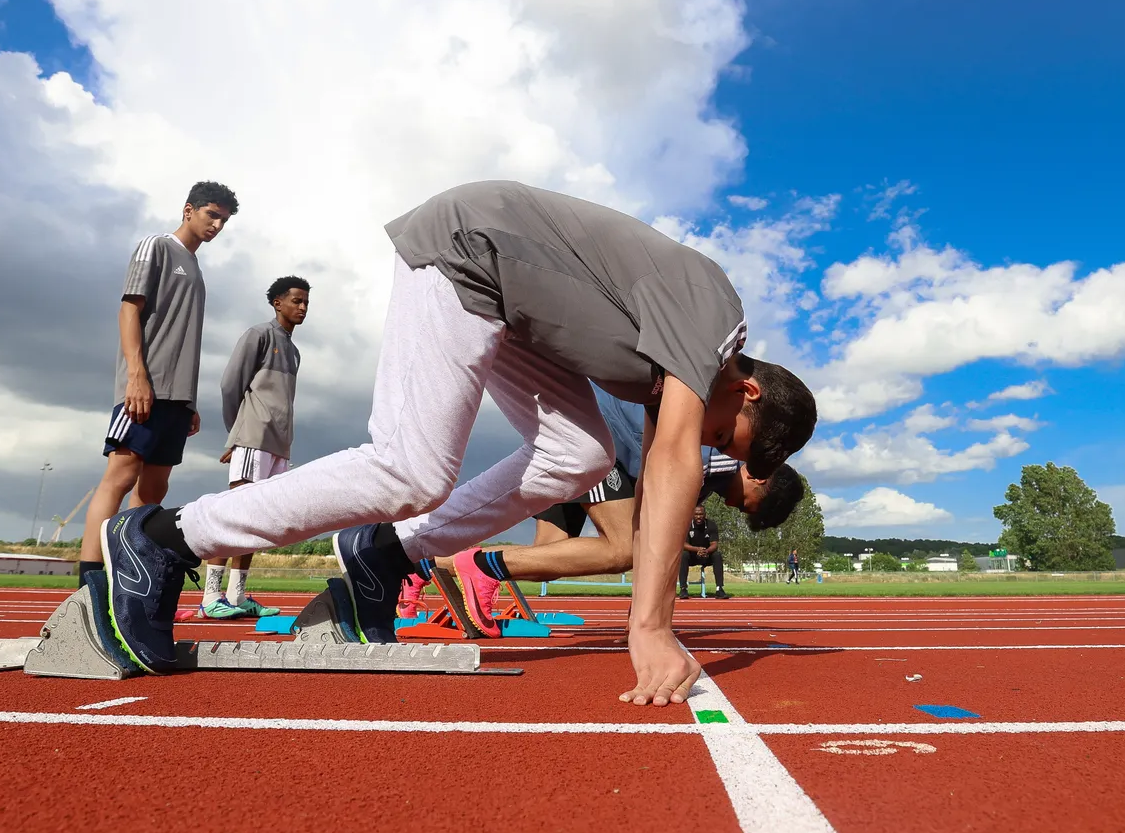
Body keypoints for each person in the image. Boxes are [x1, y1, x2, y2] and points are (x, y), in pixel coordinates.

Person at [100, 180, 817, 707]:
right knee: (410, 469)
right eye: (726, 434)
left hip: (516, 306)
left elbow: (661, 477)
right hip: (469, 255)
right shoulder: (715, 326)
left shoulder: (689, 355)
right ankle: (163, 537)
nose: (708, 442)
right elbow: (670, 465)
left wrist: (653, 608)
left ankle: (386, 552)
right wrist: (650, 628)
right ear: (749, 390)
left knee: (580, 455)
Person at [428, 386, 803, 631]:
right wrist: (648, 623)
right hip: (596, 434)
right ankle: (479, 567)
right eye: (754, 509)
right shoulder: (717, 460)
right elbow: (652, 540)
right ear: (761, 480)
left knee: (548, 556)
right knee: (623, 547)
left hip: (593, 433)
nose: (744, 512)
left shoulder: (711, 480)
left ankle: (429, 564)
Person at [77, 182, 238, 585]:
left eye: (224, 220)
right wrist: (137, 376)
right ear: (188, 211)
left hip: (176, 397)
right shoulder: (156, 246)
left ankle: (126, 575)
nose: (216, 225)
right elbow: (129, 310)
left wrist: (189, 402)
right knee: (120, 478)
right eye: (211, 215)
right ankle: (90, 580)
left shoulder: (196, 267)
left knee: (154, 490)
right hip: (144, 387)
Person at [196, 276, 311, 619]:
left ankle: (237, 595)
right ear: (277, 302)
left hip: (279, 445)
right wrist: (238, 433)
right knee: (236, 515)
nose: (302, 307)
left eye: (305, 302)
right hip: (252, 438)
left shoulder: (293, 350)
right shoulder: (259, 335)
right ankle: (210, 598)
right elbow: (230, 384)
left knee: (260, 522)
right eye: (295, 301)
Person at [678, 504, 728, 600]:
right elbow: (683, 544)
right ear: (692, 515)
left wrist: (706, 551)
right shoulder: (686, 525)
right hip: (692, 556)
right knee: (683, 555)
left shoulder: (711, 525)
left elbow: (714, 544)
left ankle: (719, 589)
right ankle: (683, 589)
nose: (698, 517)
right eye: (696, 514)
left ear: (705, 515)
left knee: (717, 555)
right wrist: (697, 549)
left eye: (701, 514)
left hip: (706, 555)